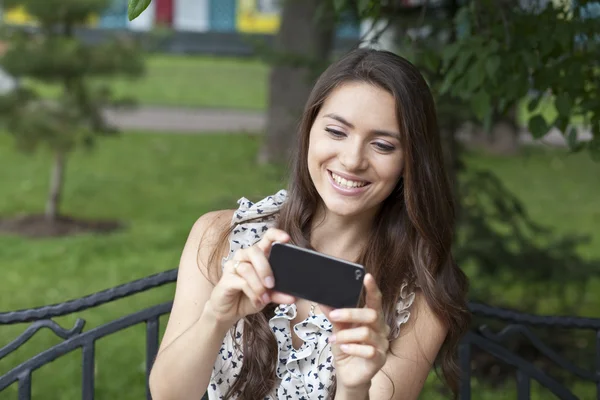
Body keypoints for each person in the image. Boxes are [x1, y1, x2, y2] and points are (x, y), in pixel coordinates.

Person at [149, 48, 470, 400]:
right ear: (309, 131)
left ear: (410, 161)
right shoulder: (221, 237)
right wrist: (215, 319)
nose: (351, 160)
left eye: (382, 145)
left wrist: (354, 385)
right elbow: (169, 395)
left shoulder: (420, 292)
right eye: (336, 131)